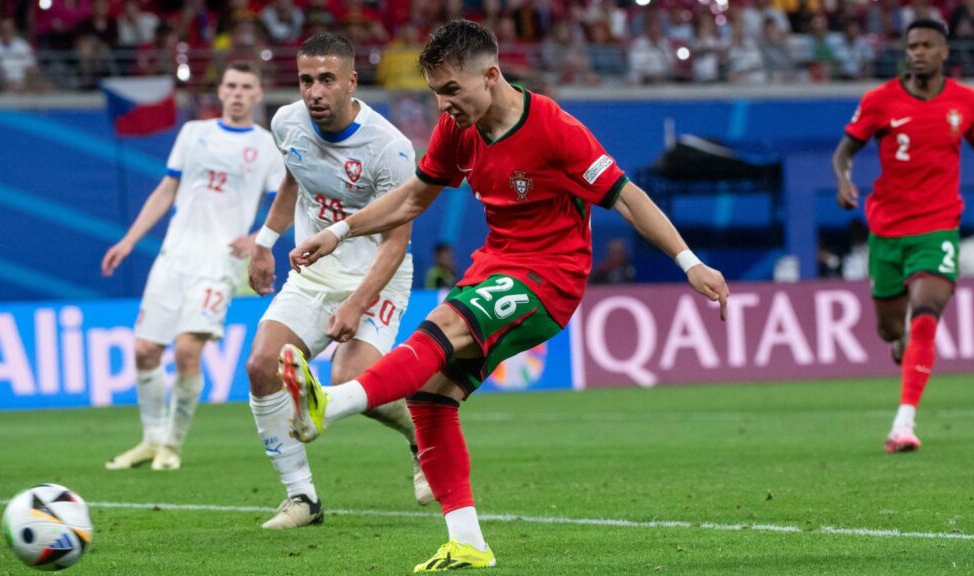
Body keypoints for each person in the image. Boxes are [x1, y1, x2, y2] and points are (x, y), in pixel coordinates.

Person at [284, 20, 729, 571]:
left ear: (491, 76)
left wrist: (689, 262)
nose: (443, 105)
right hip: (496, 267)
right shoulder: (457, 129)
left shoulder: (556, 130)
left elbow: (628, 198)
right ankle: (467, 541)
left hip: (550, 278)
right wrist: (338, 232)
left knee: (446, 323)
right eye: (435, 93)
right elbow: (413, 198)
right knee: (431, 397)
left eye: (451, 90)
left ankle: (332, 404)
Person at [245, 33, 431, 530]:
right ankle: (302, 499)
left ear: (351, 82)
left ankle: (421, 437)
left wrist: (355, 305)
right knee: (261, 365)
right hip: (314, 272)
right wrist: (265, 240)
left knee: (351, 380)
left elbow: (396, 242)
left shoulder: (389, 148)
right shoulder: (286, 122)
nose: (314, 92)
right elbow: (294, 177)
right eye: (306, 80)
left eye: (326, 80)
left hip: (376, 274)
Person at [101, 61, 284, 471]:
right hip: (174, 255)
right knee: (144, 349)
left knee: (186, 350)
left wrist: (258, 236)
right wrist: (129, 240)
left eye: (246, 87)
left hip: (219, 261)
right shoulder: (193, 134)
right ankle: (150, 440)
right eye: (231, 85)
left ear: (258, 94)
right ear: (220, 92)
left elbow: (281, 200)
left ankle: (172, 445)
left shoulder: (267, 144)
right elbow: (167, 189)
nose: (237, 93)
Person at [832, 19, 974, 454]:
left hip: (939, 226)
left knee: (926, 313)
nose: (918, 52)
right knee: (890, 330)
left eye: (927, 45)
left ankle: (903, 423)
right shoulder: (880, 100)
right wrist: (844, 181)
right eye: (912, 46)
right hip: (887, 228)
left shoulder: (966, 101)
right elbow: (845, 150)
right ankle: (900, 342)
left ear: (945, 52)